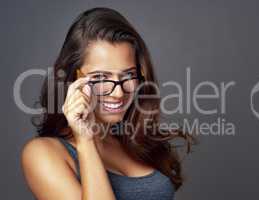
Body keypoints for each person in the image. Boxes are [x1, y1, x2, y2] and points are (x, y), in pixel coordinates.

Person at [21, 7, 194, 200]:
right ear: (73, 77)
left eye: (128, 75)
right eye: (101, 77)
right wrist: (86, 140)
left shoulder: (132, 140)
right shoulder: (43, 154)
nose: (119, 92)